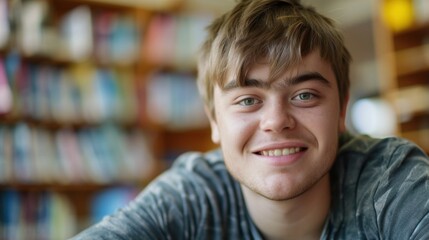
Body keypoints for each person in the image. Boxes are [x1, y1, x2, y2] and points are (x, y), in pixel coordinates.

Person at [71, 0, 429, 239]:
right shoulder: (193, 195)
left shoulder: (390, 177)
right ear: (214, 121)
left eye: (304, 95)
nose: (276, 121)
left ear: (341, 110)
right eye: (247, 99)